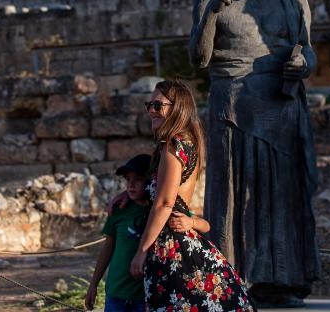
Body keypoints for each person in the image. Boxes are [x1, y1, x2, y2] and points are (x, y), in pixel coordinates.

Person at [189, 0, 320, 307]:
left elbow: (308, 49)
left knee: (280, 195)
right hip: (232, 107)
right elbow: (199, 58)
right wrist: (212, 13)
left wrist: (303, 63)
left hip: (280, 108)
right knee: (233, 194)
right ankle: (229, 279)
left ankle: (280, 281)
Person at [128, 78, 255, 312]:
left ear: (177, 108)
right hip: (179, 244)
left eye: (158, 106)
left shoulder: (174, 145)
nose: (151, 111)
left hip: (170, 250)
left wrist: (141, 252)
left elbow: (165, 202)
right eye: (150, 105)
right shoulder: (186, 142)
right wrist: (125, 196)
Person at [84, 154, 151, 312]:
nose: (131, 185)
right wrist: (93, 284)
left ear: (150, 180)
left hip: (145, 296)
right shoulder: (119, 210)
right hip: (116, 293)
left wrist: (193, 222)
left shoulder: (159, 211)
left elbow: (203, 226)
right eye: (128, 179)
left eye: (138, 179)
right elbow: (107, 248)